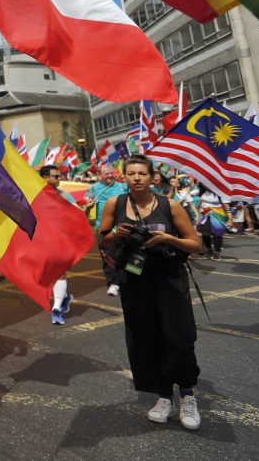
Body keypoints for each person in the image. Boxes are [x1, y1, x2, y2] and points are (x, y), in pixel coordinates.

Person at [98, 154, 202, 431]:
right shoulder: (114, 203)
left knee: (179, 339)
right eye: (131, 173)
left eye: (142, 173)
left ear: (152, 176)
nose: (137, 178)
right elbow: (102, 238)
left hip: (169, 281)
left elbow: (194, 244)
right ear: (124, 176)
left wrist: (170, 239)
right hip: (134, 282)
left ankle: (188, 396)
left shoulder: (171, 205)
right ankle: (164, 396)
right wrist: (116, 234)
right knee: (147, 340)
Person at [41, 165, 76, 325]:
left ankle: (56, 309)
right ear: (45, 178)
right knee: (47, 274)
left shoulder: (65, 196)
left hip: (62, 240)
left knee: (59, 273)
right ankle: (65, 296)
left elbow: (77, 212)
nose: (59, 179)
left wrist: (86, 208)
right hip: (42, 241)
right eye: (56, 176)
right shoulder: (35, 196)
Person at [84, 164, 128, 296]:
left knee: (127, 255)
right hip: (104, 228)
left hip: (124, 226)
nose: (110, 175)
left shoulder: (123, 186)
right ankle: (113, 283)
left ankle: (128, 281)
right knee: (108, 257)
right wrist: (89, 205)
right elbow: (87, 204)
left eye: (111, 173)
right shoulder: (94, 188)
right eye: (106, 174)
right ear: (99, 175)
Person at [197, 185, 226, 260]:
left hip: (218, 214)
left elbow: (226, 204)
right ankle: (209, 247)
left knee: (217, 234)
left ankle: (217, 252)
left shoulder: (220, 192)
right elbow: (187, 193)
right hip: (205, 214)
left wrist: (230, 218)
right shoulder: (201, 191)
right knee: (205, 232)